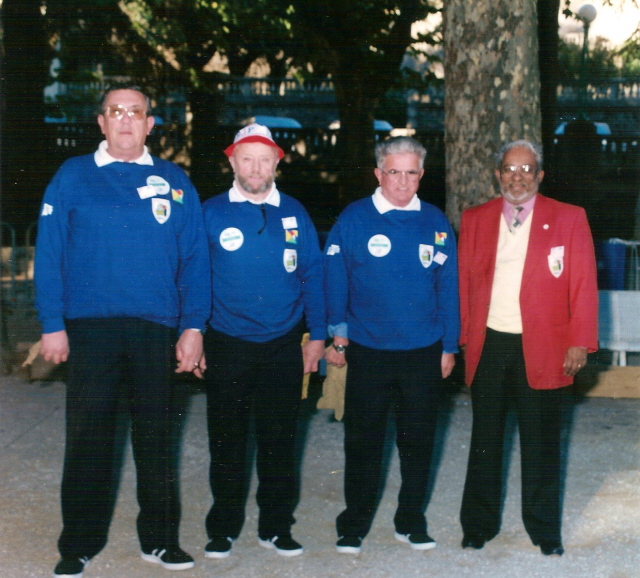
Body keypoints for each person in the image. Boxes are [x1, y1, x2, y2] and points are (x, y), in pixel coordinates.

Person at [35, 86, 211, 577]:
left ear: (151, 124)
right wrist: (52, 324)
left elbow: (196, 260)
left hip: (155, 329)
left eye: (136, 112)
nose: (127, 120)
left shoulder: (175, 181)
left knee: (156, 439)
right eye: (117, 112)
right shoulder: (72, 177)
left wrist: (193, 326)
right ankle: (78, 544)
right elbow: (48, 254)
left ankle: (159, 540)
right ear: (101, 121)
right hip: (88, 329)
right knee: (89, 439)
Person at [458, 140, 598, 556]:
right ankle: (478, 525)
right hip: (490, 343)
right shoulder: (476, 218)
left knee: (541, 442)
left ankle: (544, 529)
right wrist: (464, 338)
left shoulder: (569, 218)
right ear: (498, 174)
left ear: (539, 176)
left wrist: (580, 342)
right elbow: (465, 284)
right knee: (485, 440)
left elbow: (584, 285)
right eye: (509, 169)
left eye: (526, 169)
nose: (517, 177)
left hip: (545, 345)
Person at [324, 136, 460, 554]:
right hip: (366, 348)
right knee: (363, 441)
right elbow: (335, 275)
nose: (403, 181)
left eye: (412, 172)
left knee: (418, 442)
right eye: (394, 172)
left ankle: (410, 519)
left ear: (422, 175)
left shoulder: (435, 222)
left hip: (423, 350)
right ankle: (354, 523)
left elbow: (448, 288)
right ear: (379, 174)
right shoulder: (354, 218)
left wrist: (449, 345)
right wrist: (337, 330)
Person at [201, 123, 326, 559]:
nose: (255, 168)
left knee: (279, 440)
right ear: (232, 161)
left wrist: (318, 336)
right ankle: (223, 526)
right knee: (227, 441)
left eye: (264, 159)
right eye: (246, 158)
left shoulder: (295, 212)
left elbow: (313, 276)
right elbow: (195, 279)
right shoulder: (211, 212)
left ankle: (276, 526)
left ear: (277, 163)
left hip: (283, 344)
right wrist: (193, 333)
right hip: (227, 341)